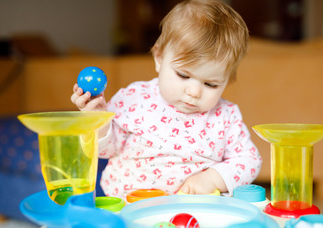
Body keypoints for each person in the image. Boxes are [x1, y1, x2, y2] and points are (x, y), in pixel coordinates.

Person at [71, 0, 262, 199]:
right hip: (128, 207)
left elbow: (249, 160)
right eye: (183, 75)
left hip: (196, 211)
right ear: (159, 58)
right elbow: (106, 150)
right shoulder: (134, 99)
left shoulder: (226, 116)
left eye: (211, 84)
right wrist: (98, 119)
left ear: (226, 79)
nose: (194, 91)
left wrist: (213, 179)